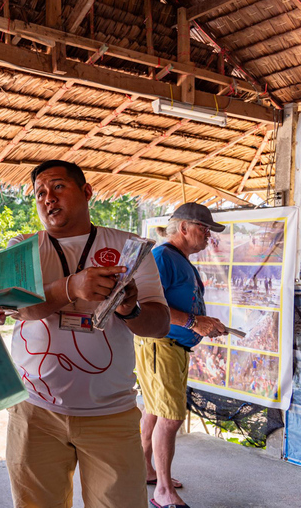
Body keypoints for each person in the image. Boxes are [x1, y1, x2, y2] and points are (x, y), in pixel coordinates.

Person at [4, 159, 171, 508]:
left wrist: (130, 309)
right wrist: (72, 287)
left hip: (111, 413)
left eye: (58, 187)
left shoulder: (129, 247)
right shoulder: (23, 246)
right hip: (35, 413)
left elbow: (159, 325)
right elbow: (23, 309)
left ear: (86, 191)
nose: (48, 198)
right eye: (40, 193)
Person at [136, 202, 227, 508]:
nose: (208, 237)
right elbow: (147, 304)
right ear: (184, 227)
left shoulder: (179, 259)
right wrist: (192, 322)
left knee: (155, 409)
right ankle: (162, 491)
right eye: (205, 229)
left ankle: (146, 470)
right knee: (172, 417)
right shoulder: (163, 257)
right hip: (161, 345)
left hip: (171, 347)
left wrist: (206, 323)